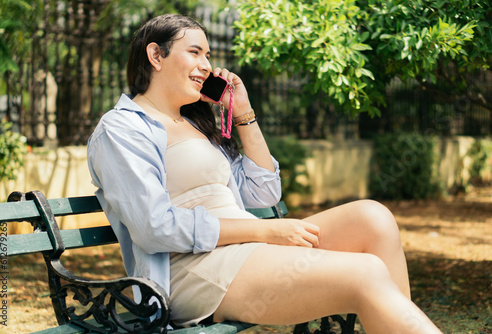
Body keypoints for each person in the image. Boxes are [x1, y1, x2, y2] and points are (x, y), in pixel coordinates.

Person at [87, 13, 443, 334]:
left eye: (208, 56)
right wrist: (267, 230)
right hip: (191, 271)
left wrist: (242, 111)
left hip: (247, 248)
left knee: (373, 217)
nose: (206, 66)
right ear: (156, 56)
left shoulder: (195, 123)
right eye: (195, 52)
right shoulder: (122, 129)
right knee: (365, 272)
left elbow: (262, 193)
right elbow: (155, 228)